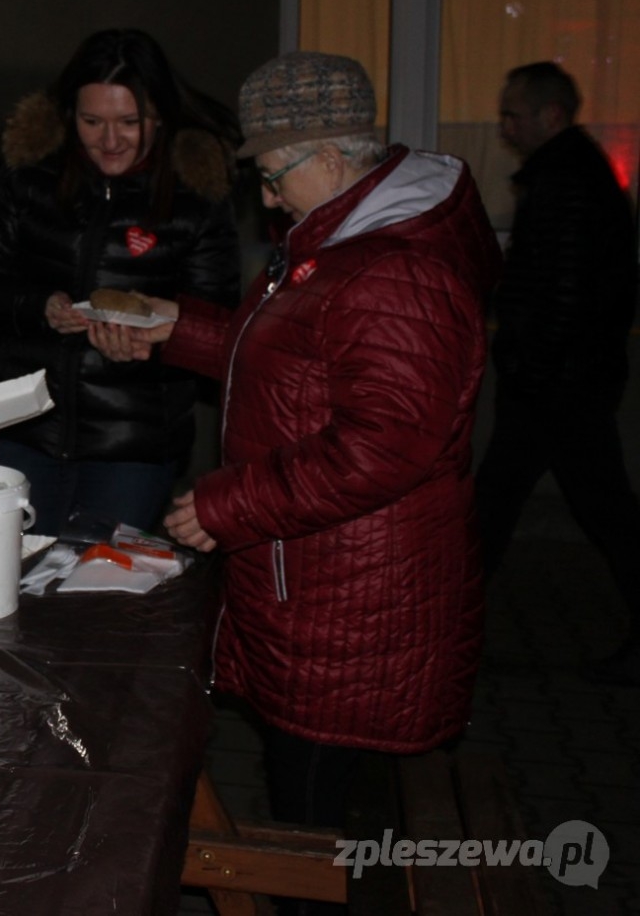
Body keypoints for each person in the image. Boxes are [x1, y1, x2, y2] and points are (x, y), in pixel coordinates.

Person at [102, 53, 500, 913]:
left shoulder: (395, 268)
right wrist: (176, 327)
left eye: (275, 174)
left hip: (355, 604)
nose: (269, 196)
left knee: (318, 835)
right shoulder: (345, 242)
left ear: (329, 155)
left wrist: (228, 504)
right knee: (323, 818)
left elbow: (386, 445)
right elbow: (293, 360)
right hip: (326, 585)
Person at [0, 28, 241, 536]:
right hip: (27, 431)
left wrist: (151, 348)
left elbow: (219, 330)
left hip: (134, 449)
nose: (110, 141)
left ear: (160, 116)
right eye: (92, 122)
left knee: (105, 580)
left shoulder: (196, 196)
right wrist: (39, 307)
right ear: (70, 116)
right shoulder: (31, 177)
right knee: (20, 574)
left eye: (130, 122)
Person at [475, 61, 640, 687]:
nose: (505, 128)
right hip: (564, 383)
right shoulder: (572, 175)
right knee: (588, 509)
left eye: (513, 115)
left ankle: (440, 630)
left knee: (585, 510)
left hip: (556, 387)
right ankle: (443, 627)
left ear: (551, 115)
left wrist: (529, 366)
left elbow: (563, 294)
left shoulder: (565, 181)